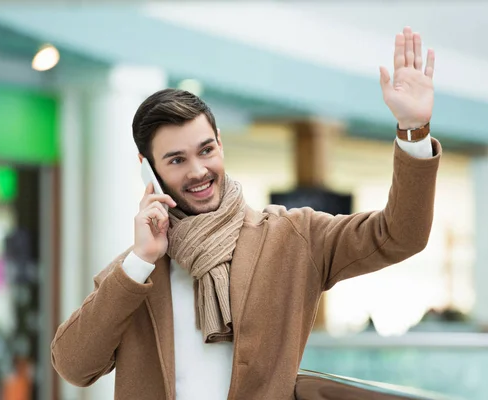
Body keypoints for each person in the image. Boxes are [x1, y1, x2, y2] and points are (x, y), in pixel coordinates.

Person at [51, 26, 441, 400]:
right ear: (148, 168)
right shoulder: (138, 270)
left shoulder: (293, 237)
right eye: (176, 160)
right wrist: (140, 262)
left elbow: (400, 234)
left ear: (220, 143)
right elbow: (73, 366)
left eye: (206, 150)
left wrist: (413, 129)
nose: (198, 171)